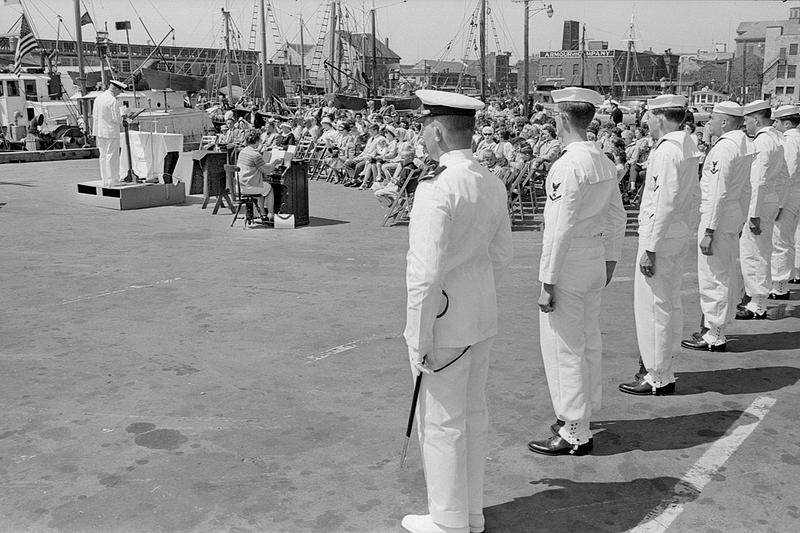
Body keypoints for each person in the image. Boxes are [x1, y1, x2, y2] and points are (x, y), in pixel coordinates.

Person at [401, 89, 513, 533]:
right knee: (472, 416)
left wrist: (418, 335)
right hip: (479, 314)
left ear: (436, 131)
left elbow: (425, 273)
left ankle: (448, 521)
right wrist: (475, 293)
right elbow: (502, 255)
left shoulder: (436, 186)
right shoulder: (491, 180)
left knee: (441, 422)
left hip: (443, 320)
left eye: (424, 128)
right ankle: (470, 512)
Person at [527, 87, 625, 457]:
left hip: (569, 264)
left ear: (563, 118)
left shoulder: (568, 164)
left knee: (564, 348)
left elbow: (559, 229)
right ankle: (581, 414)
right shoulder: (601, 159)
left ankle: (574, 430)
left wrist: (547, 281)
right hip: (594, 258)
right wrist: (610, 260)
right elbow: (616, 217)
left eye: (555, 114)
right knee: (587, 343)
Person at [618, 95, 700, 396]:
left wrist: (650, 247)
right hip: (675, 232)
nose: (646, 122)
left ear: (662, 118)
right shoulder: (687, 145)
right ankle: (665, 367)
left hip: (660, 236)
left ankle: (656, 375)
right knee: (668, 304)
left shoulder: (667, 152)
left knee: (653, 307)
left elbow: (662, 202)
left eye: (650, 117)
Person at [682, 102, 753, 351]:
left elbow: (716, 193)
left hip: (718, 217)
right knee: (726, 273)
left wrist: (709, 230)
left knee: (714, 276)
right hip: (732, 214)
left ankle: (713, 332)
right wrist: (742, 217)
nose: (708, 123)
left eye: (712, 118)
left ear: (724, 122)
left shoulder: (724, 149)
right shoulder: (745, 144)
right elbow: (747, 188)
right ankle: (718, 327)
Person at [736, 100, 788, 319]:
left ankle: (756, 303)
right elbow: (785, 176)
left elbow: (757, 180)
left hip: (758, 202)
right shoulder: (776, 139)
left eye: (747, 120)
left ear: (756, 119)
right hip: (770, 200)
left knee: (753, 253)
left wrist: (754, 213)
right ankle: (758, 299)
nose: (745, 125)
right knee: (762, 251)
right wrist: (780, 203)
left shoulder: (763, 141)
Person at [770, 105, 800, 299]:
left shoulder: (789, 141)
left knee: (780, 239)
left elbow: (787, 173)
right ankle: (794, 273)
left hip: (789, 193)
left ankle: (780, 286)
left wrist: (779, 204)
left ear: (786, 123)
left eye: (777, 122)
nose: (775, 125)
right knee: (793, 236)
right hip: (796, 191)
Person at [237, 129, 279, 223]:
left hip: (240, 186)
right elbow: (267, 170)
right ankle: (271, 214)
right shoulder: (255, 155)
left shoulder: (243, 152)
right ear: (257, 141)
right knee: (269, 188)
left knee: (262, 186)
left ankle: (263, 213)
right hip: (250, 186)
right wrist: (275, 161)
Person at [92, 80, 127, 186]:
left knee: (103, 156)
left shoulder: (98, 98)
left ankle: (105, 180)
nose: (120, 93)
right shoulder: (113, 100)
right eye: (120, 91)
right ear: (115, 88)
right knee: (112, 156)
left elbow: (95, 115)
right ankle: (114, 180)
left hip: (99, 131)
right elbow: (116, 119)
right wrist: (124, 116)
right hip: (110, 131)